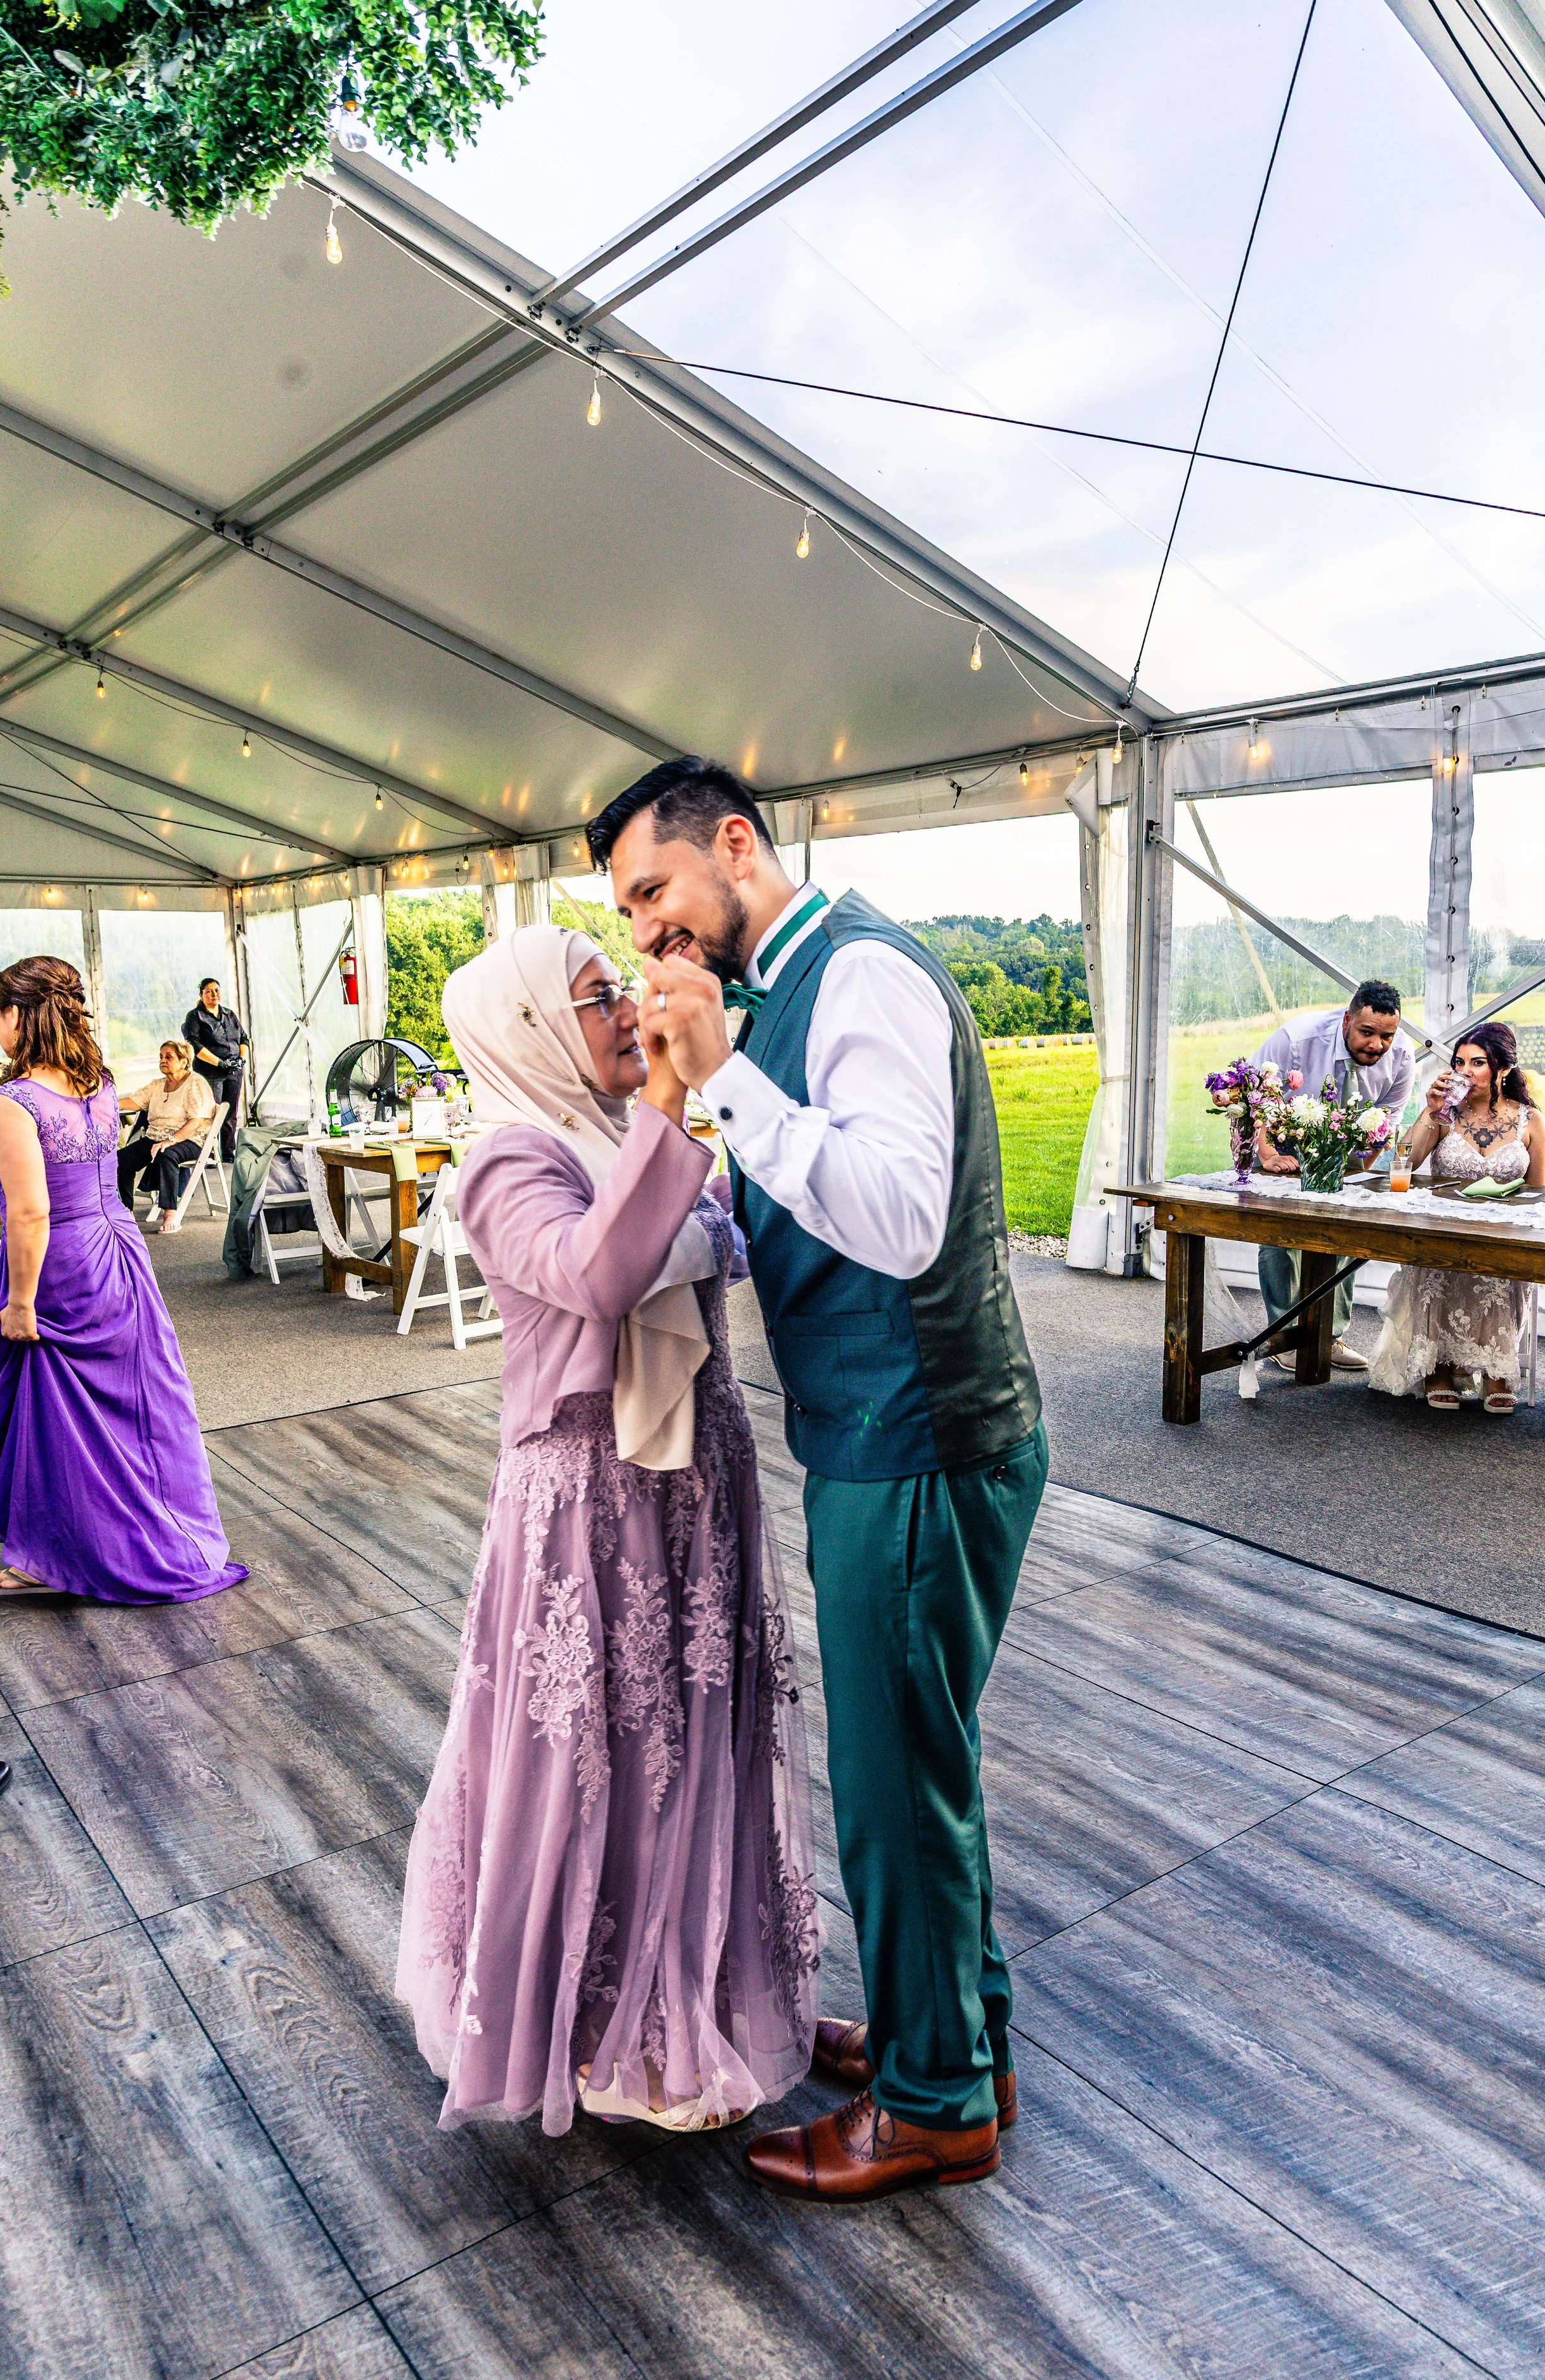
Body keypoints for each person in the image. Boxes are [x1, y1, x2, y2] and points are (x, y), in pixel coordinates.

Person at [594, 755, 1046, 2204]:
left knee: (890, 1779)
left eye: (656, 892)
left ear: (737, 843)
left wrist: (720, 1073)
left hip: (917, 1430)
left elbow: (902, 1218)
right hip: (879, 1428)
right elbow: (795, 1189)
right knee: (921, 1759)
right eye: (628, 910)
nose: (649, 933)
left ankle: (934, 2107)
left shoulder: (855, 976)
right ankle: (954, 2035)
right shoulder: (777, 996)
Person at [396, 925, 816, 2136]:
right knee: (595, 1762)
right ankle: (589, 2027)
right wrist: (676, 1110)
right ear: (529, 1028)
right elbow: (597, 1275)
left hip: (699, 1483)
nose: (626, 1009)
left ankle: (692, 1993)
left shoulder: (644, 1134)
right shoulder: (504, 1162)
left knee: (694, 1739)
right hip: (586, 1503)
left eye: (620, 987)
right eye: (595, 998)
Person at [0, 955, 249, 1604]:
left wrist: (19, 1302)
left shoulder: (15, 1103)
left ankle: (53, 1556)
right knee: (124, 1407)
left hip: (58, 1264)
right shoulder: (97, 1080)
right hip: (118, 1250)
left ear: (21, 1015)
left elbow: (31, 1212)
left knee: (54, 1410)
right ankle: (112, 1535)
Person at [1371, 1022, 1545, 1411]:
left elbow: (1537, 1193)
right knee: (1438, 1266)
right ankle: (1439, 1366)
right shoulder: (1444, 1115)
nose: (1464, 1071)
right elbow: (1403, 1164)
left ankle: (1498, 1370)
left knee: (1502, 1271)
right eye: (1459, 1062)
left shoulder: (1530, 1121)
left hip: (1502, 1232)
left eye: (1477, 1063)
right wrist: (1430, 1113)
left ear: (1503, 1068)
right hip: (1442, 1229)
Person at [1249, 981, 1415, 1375]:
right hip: (1282, 1138)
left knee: (1341, 1234)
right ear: (1347, 1020)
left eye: (1386, 1036)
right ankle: (1284, 1335)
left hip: (1347, 1144)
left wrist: (1361, 1167)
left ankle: (1329, 1334)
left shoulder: (1403, 1055)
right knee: (1280, 1238)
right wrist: (1269, 1155)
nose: (1377, 1044)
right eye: (1367, 1032)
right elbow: (1254, 1096)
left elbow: (1387, 1120)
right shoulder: (1295, 1039)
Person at [117, 1039, 215, 1232]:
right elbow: (134, 1102)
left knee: (166, 1154)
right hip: (156, 1137)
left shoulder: (195, 1083)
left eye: (168, 1057)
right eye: (161, 1057)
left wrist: (170, 1141)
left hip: (190, 1139)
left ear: (184, 1061)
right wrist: (102, 1100)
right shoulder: (158, 1085)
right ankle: (126, 1210)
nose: (163, 1060)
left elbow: (196, 1122)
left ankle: (171, 1212)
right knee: (122, 1159)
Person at [183, 976, 247, 1163]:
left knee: (230, 1112)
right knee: (211, 1113)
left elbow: (244, 1038)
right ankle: (209, 1153)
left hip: (234, 1071)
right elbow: (194, 1044)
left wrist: (241, 1059)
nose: (214, 995)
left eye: (217, 990)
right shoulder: (195, 1016)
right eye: (209, 991)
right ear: (201, 994)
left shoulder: (229, 1014)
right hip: (211, 1072)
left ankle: (228, 1152)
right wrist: (219, 1063)